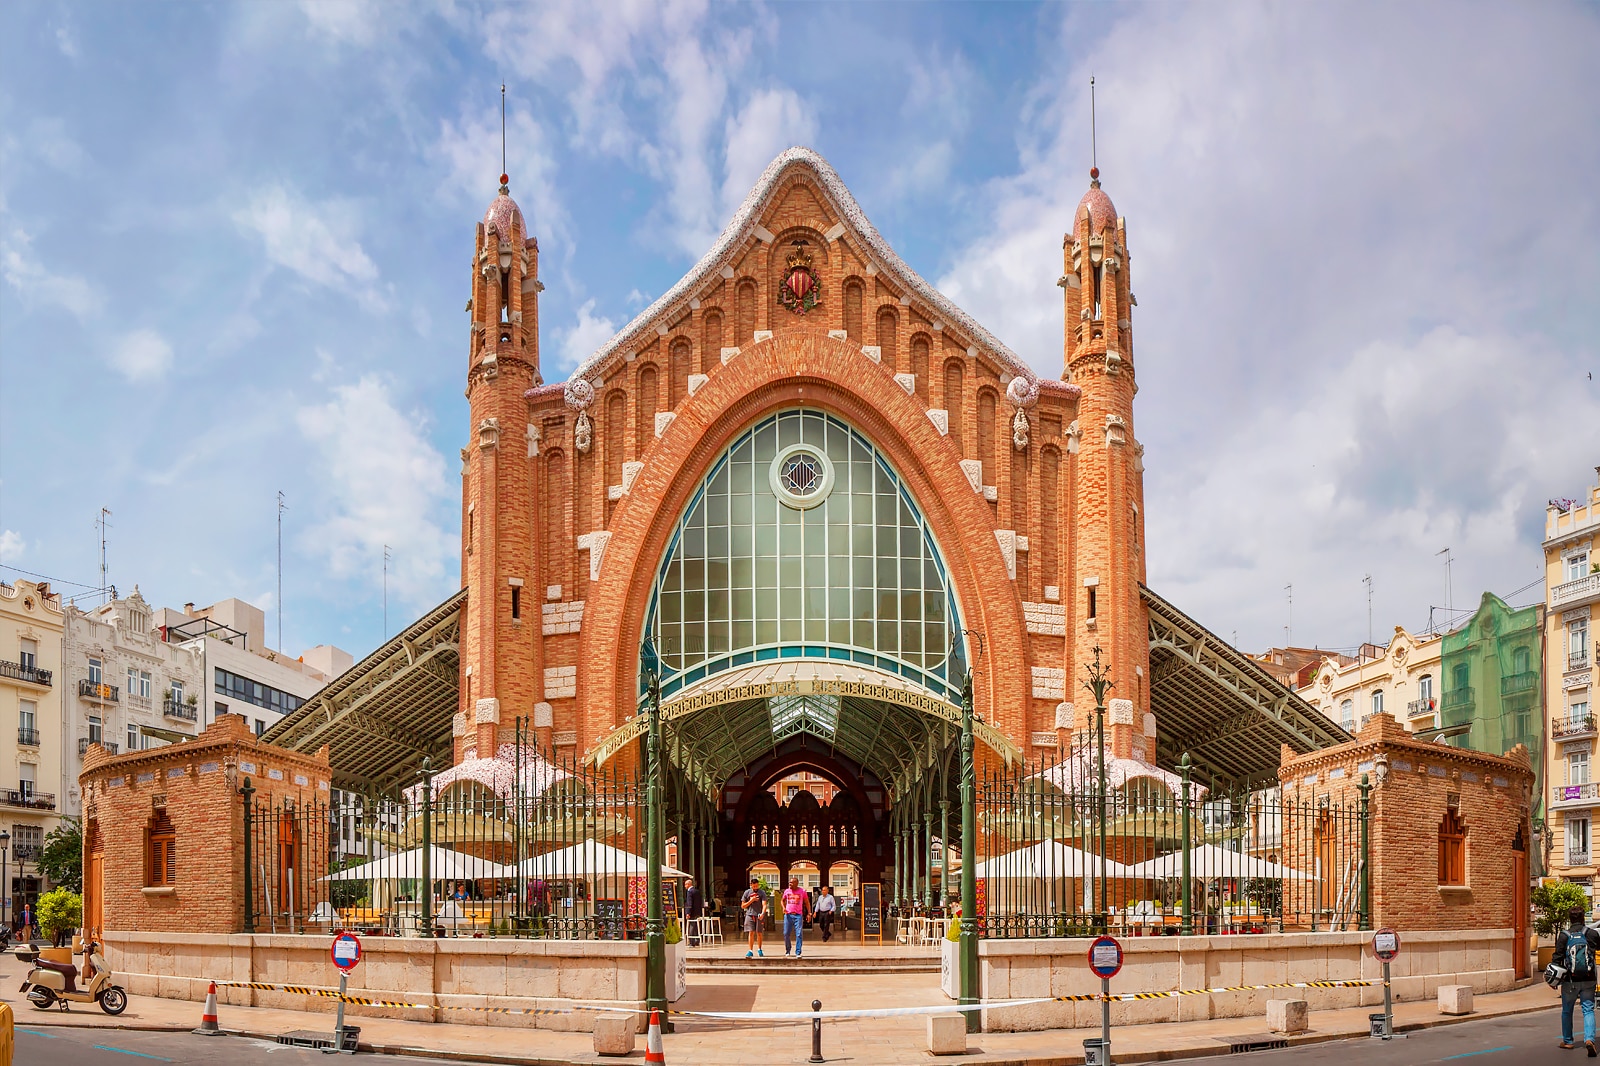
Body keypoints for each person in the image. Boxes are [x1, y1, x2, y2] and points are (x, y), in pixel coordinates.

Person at [1557, 903, 1600, 1054]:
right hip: (1589, 979)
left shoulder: (1564, 935)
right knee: (1588, 1009)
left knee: (1567, 1010)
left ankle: (1568, 1041)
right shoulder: (1592, 934)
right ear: (1583, 918)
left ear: (1570, 919)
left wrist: (1554, 980)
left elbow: (1557, 959)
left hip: (1569, 980)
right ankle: (1589, 1039)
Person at [780, 876, 811, 957]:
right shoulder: (787, 891)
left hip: (798, 915)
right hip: (788, 915)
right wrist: (783, 908)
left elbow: (807, 902)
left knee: (799, 933)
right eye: (789, 882)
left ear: (796, 883)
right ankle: (788, 950)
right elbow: (782, 900)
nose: (790, 884)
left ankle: (798, 952)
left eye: (792, 882)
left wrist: (809, 913)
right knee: (786, 933)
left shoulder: (802, 891)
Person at [741, 877, 767, 958]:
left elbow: (764, 904)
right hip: (750, 914)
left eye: (757, 886)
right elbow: (743, 906)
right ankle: (750, 950)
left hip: (759, 914)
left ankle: (759, 949)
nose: (755, 888)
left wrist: (763, 913)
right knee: (751, 932)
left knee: (759, 933)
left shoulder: (762, 893)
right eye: (754, 886)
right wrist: (751, 900)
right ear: (751, 885)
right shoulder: (747, 893)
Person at [684, 878, 704, 946]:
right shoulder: (697, 891)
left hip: (692, 912)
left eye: (685, 885)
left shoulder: (689, 892)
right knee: (696, 927)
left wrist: (688, 913)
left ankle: (691, 942)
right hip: (697, 911)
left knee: (691, 926)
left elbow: (689, 903)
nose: (685, 886)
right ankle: (696, 940)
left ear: (689, 884)